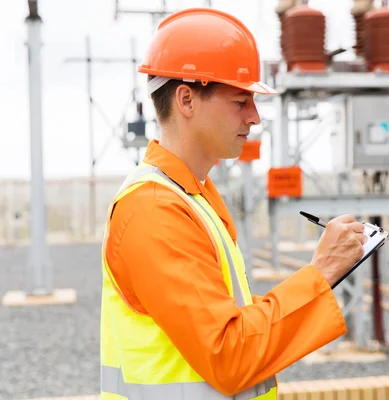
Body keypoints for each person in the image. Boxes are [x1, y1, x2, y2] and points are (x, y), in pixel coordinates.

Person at [100, 7, 368, 400]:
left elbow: (229, 320)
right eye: (241, 101)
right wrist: (321, 273)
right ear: (187, 100)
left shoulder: (192, 196)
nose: (255, 117)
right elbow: (229, 354)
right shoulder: (155, 210)